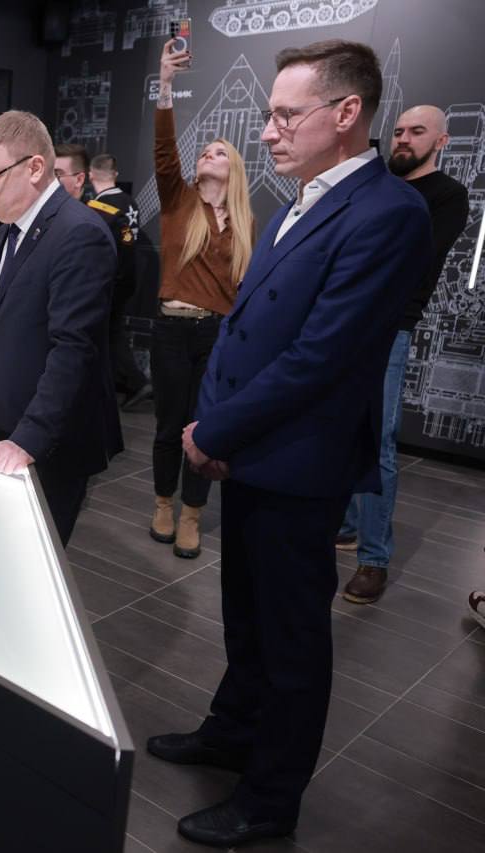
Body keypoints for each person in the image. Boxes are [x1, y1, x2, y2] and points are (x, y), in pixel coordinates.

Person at [147, 41, 433, 847]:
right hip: (249, 449)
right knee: (247, 615)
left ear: (346, 113)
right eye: (269, 115)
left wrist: (214, 429)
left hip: (298, 462)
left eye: (284, 115)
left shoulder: (388, 213)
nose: (267, 131)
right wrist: (212, 426)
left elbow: (320, 358)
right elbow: (240, 328)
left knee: (292, 638)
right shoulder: (296, 201)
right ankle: (232, 731)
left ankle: (270, 797)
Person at [0, 110, 121, 545]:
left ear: (35, 167)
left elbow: (73, 350)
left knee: (31, 557)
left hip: (47, 443)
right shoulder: (7, 230)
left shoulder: (80, 233)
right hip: (5, 429)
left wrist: (27, 440)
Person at [336, 105, 469, 604]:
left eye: (416, 132)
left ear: (441, 142)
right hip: (347, 322)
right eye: (398, 131)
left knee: (379, 442)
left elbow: (410, 257)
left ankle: (374, 559)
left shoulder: (447, 195)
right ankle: (346, 526)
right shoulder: (380, 186)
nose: (403, 139)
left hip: (390, 328)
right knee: (341, 428)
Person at [147, 38, 257, 560]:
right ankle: (163, 505)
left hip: (218, 334)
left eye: (219, 152)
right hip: (172, 328)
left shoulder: (245, 222)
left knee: (204, 427)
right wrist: (166, 82)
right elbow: (164, 147)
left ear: (233, 168)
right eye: (205, 151)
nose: (208, 154)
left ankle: (192, 514)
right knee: (169, 426)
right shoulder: (178, 200)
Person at [89, 152, 150, 409]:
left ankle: (133, 381)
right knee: (113, 332)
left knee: (108, 334)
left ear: (90, 175)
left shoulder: (98, 208)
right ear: (114, 174)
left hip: (109, 280)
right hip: (128, 277)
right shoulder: (130, 202)